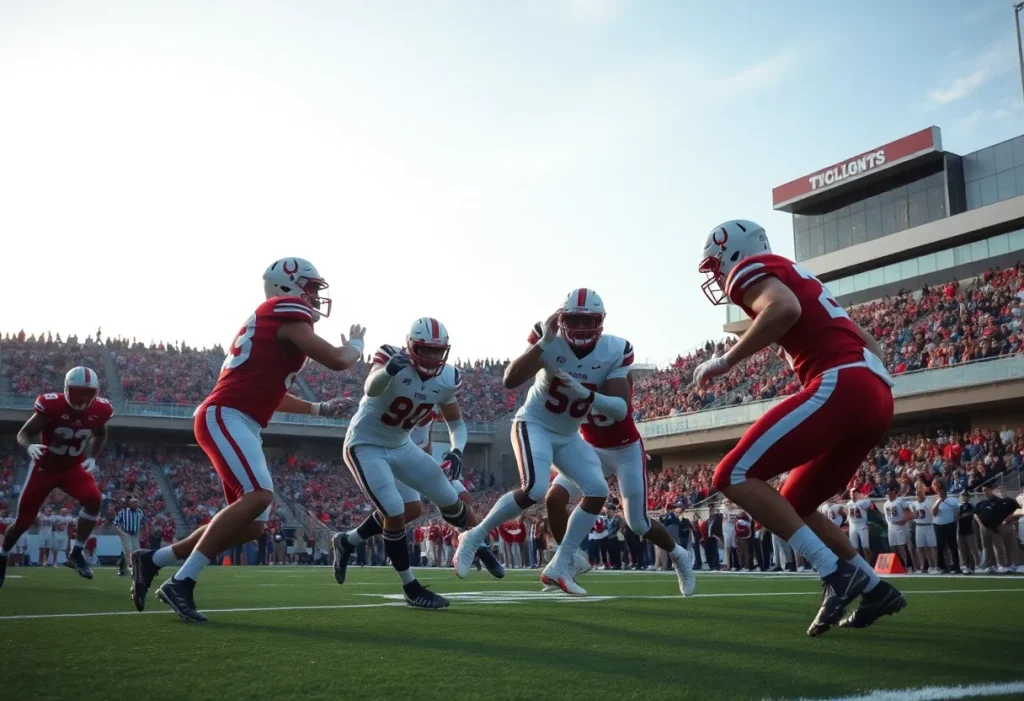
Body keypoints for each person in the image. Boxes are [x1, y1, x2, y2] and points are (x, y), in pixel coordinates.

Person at [693, 219, 904, 636]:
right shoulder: (801, 275)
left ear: (732, 251)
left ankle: (833, 572)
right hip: (875, 392)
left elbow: (784, 309)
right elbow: (867, 340)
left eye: (716, 264)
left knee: (731, 474)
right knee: (797, 500)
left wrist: (725, 361)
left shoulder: (749, 271)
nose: (718, 275)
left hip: (843, 382)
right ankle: (874, 586)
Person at [130, 258, 363, 621]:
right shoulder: (283, 312)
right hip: (226, 414)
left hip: (241, 419)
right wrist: (357, 348)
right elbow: (336, 359)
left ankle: (153, 560)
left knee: (252, 526)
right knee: (259, 495)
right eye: (312, 286)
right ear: (288, 285)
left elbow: (273, 392)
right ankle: (182, 581)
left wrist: (319, 408)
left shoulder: (276, 325)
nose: (316, 295)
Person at [454, 289, 646, 597]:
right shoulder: (549, 337)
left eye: (589, 321)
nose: (581, 328)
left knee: (597, 490)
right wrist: (541, 345)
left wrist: (587, 395)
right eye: (574, 319)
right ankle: (474, 537)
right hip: (535, 424)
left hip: (570, 433)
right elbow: (510, 380)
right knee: (536, 490)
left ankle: (561, 561)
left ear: (600, 323)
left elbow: (620, 408)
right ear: (561, 318)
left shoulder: (615, 349)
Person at [333, 318, 495, 609]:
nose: (432, 357)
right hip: (366, 444)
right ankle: (410, 586)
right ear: (410, 347)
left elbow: (456, 424)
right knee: (395, 511)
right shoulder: (390, 357)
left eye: (438, 351)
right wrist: (388, 371)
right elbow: (371, 388)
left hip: (402, 445)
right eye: (425, 350)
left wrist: (457, 451)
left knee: (449, 499)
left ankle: (475, 543)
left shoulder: (447, 377)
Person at [544, 371, 695, 593]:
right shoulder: (571, 376)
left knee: (637, 523)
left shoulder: (614, 373)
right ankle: (568, 560)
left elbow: (619, 400)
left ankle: (679, 555)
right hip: (591, 449)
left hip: (626, 450)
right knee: (554, 498)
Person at [333, 389, 502, 583]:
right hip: (392, 457)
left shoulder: (428, 412)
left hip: (414, 460)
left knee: (457, 500)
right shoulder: (403, 409)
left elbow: (427, 442)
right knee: (406, 510)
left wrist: (433, 464)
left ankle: (479, 546)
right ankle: (352, 544)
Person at [0, 367, 111, 588]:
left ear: (96, 392)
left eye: (87, 393)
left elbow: (101, 432)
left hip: (72, 468)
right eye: (77, 392)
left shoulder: (101, 409)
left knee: (94, 499)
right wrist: (30, 446)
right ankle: (2, 554)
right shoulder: (51, 405)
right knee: (23, 522)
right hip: (45, 468)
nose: (81, 399)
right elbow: (23, 432)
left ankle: (76, 552)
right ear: (67, 390)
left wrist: (94, 456)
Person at [930, 478, 961, 574]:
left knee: (953, 546)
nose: (940, 492)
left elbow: (957, 512)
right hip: (938, 526)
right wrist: (939, 501)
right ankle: (942, 566)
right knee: (940, 547)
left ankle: (956, 566)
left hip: (950, 525)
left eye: (941, 490)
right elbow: (934, 513)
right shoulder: (935, 501)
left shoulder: (953, 500)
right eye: (938, 490)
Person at [882, 482, 914, 572]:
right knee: (893, 547)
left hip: (900, 525)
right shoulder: (885, 504)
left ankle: (909, 566)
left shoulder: (900, 501)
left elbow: (910, 514)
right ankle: (899, 565)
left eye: (890, 492)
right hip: (891, 526)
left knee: (902, 546)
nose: (888, 495)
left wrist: (905, 520)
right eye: (887, 493)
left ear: (894, 492)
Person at [909, 481, 939, 574]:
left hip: (928, 526)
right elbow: (910, 508)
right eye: (916, 494)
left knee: (932, 546)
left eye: (919, 493)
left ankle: (936, 566)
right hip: (919, 527)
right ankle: (923, 567)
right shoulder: (913, 504)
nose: (918, 495)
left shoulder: (928, 502)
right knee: (920, 547)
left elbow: (934, 512)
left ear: (923, 493)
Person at [114, 497, 146, 576]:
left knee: (136, 552)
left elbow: (144, 522)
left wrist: (144, 532)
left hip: (135, 534)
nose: (136, 505)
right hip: (125, 533)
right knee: (128, 551)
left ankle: (122, 567)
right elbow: (116, 522)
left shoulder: (139, 512)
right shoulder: (123, 512)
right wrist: (118, 531)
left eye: (137, 504)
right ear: (130, 504)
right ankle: (132, 569)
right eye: (134, 504)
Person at [844, 490, 874, 563]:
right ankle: (859, 564)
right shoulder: (849, 504)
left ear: (858, 494)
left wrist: (864, 498)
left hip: (862, 525)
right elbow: (848, 514)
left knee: (865, 547)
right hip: (852, 525)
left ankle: (869, 563)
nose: (852, 496)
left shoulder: (863, 502)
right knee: (854, 548)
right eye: (851, 494)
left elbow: (870, 506)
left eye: (854, 494)